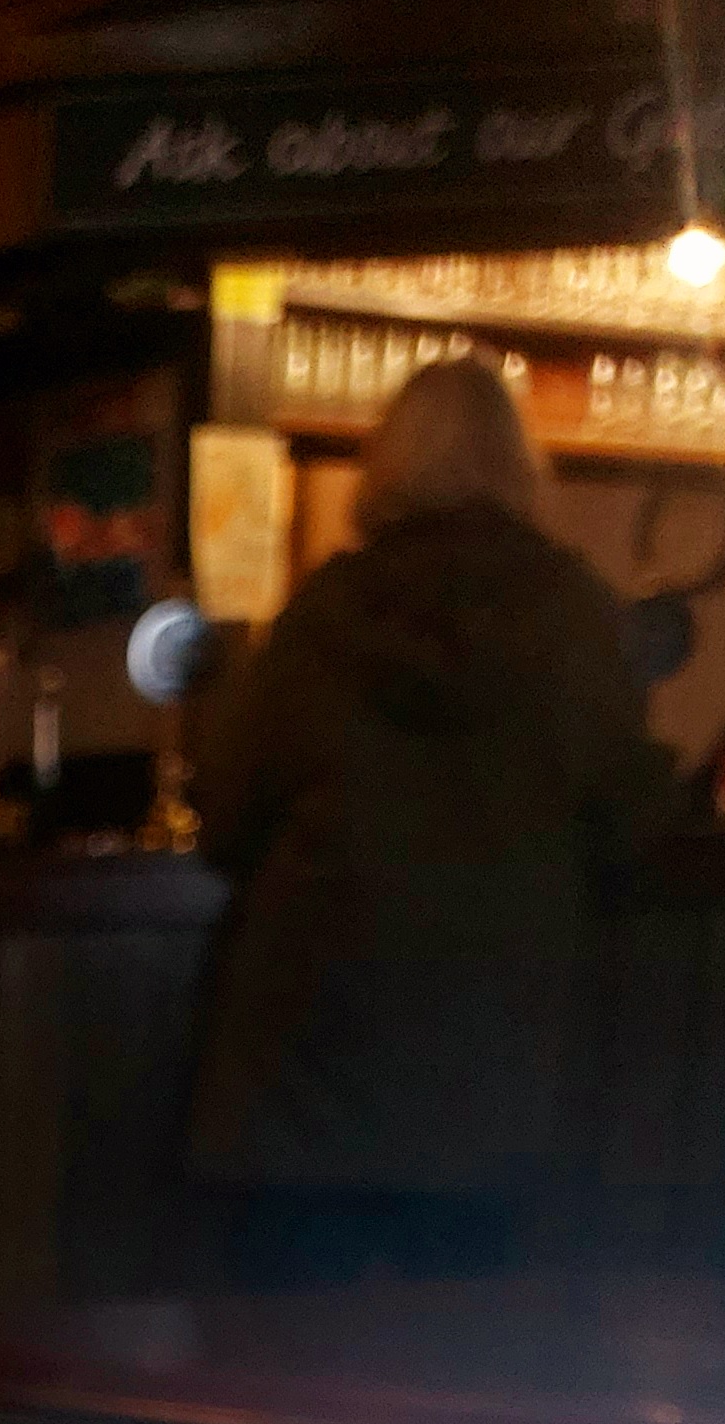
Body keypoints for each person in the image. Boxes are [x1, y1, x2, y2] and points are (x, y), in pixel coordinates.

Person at [187, 356, 670, 1285]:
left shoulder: (327, 613)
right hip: (494, 1061)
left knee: (285, 1345)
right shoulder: (575, 618)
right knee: (459, 1343)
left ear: (387, 464)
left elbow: (229, 811)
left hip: (314, 1053)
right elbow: (629, 822)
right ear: (518, 465)